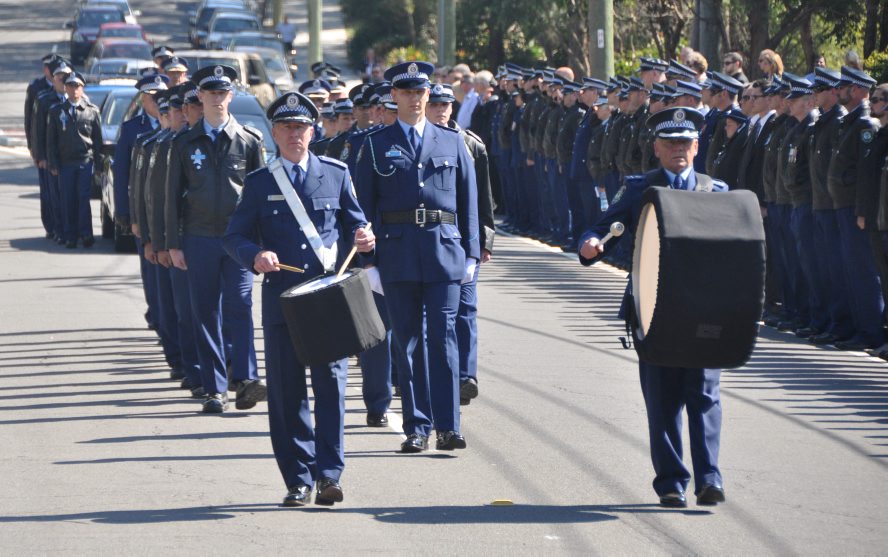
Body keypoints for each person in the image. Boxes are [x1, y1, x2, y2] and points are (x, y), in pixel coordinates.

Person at [224, 91, 374, 507]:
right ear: (274, 133)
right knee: (287, 393)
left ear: (313, 131)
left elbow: (357, 226)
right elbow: (233, 236)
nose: (295, 134)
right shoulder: (260, 183)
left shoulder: (335, 174)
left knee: (331, 389)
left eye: (302, 127)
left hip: (328, 301)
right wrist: (255, 255)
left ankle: (329, 475)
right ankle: (298, 478)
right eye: (287, 127)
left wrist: (365, 240)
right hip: (284, 301)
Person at [578, 106, 729, 508]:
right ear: (657, 148)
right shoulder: (639, 188)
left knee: (704, 394)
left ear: (696, 147)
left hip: (702, 312)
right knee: (662, 399)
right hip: (654, 309)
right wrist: (590, 244)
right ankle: (671, 482)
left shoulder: (716, 192)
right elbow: (605, 228)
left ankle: (709, 479)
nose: (678, 149)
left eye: (685, 142)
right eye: (670, 142)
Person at [355, 61, 480, 452]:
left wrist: (472, 253)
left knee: (443, 339)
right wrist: (368, 263)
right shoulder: (375, 144)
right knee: (407, 343)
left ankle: (448, 426)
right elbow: (362, 209)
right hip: (397, 254)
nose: (414, 100)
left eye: (420, 93)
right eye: (407, 93)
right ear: (394, 96)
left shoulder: (452, 141)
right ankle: (417, 427)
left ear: (429, 94)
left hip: (445, 251)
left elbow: (469, 200)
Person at [165, 64, 267, 413]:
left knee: (240, 306)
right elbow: (171, 195)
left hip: (238, 240)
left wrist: (261, 243)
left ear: (231, 96)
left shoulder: (249, 140)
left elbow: (260, 195)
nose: (217, 99)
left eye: (223, 93)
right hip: (198, 237)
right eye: (211, 93)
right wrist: (173, 243)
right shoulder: (184, 142)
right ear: (200, 96)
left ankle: (247, 380)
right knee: (205, 310)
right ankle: (214, 389)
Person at [425, 83, 495, 405]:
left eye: (446, 105)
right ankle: (436, 374)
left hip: (465, 239)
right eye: (435, 105)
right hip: (433, 239)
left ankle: (466, 376)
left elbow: (483, 199)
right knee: (434, 312)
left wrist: (484, 243)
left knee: (466, 307)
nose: (441, 111)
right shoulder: (420, 143)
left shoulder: (471, 144)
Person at [826, 66, 884, 350]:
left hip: (853, 208)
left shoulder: (864, 125)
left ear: (858, 90)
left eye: (843, 87)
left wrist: (861, 211)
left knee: (862, 271)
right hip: (842, 205)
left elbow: (866, 173)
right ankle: (858, 328)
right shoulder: (849, 122)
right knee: (849, 270)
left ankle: (870, 331)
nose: (838, 91)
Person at [46, 71, 102, 249]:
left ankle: (86, 234)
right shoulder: (56, 111)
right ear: (65, 88)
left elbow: (98, 141)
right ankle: (70, 235)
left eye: (77, 86)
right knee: (67, 200)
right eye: (70, 86)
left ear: (82, 88)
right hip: (65, 163)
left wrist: (98, 165)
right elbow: (51, 141)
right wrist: (53, 163)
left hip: (85, 161)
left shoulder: (92, 111)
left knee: (83, 198)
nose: (74, 89)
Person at [31, 57, 71, 246]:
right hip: (50, 156)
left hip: (70, 156)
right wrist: (39, 155)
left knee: (70, 196)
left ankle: (71, 229)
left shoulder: (77, 99)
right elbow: (37, 129)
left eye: (66, 77)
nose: (63, 81)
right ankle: (55, 227)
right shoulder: (44, 99)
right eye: (60, 77)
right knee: (52, 195)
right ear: (53, 79)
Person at [25, 53, 58, 240]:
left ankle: (62, 226)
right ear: (45, 70)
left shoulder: (65, 85)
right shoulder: (36, 88)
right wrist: (34, 149)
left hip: (60, 148)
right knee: (47, 192)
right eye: (51, 70)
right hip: (43, 148)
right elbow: (30, 121)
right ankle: (50, 226)